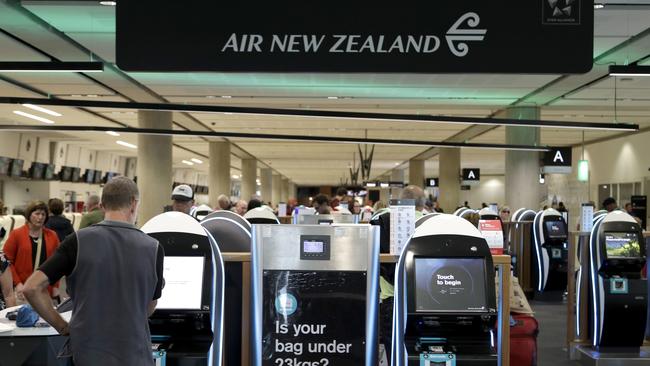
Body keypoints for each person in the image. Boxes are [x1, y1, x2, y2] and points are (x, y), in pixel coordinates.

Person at [23, 176, 165, 365]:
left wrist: (62, 326)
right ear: (133, 203)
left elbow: (31, 287)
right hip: (134, 353)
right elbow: (149, 307)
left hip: (88, 353)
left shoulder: (77, 242)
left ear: (101, 205)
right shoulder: (153, 248)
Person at [3, 201, 60, 302]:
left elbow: (57, 263)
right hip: (23, 290)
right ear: (29, 215)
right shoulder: (17, 234)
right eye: (37, 213)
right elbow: (6, 262)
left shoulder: (52, 236)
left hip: (45, 290)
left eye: (43, 214)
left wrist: (56, 286)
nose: (40, 217)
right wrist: (18, 284)